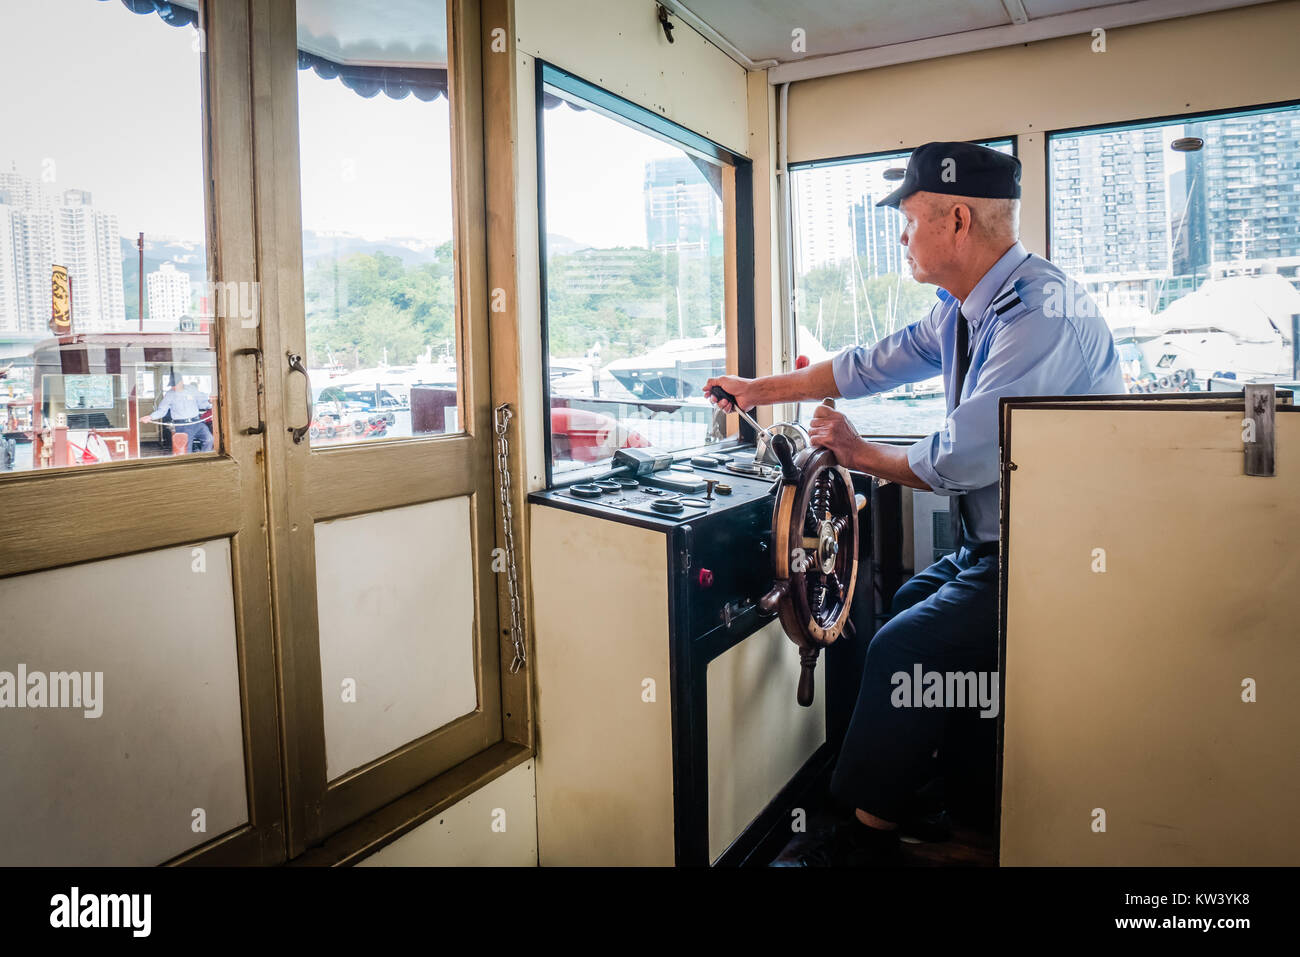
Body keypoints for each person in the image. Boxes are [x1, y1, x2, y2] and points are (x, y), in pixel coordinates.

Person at [705, 141, 1124, 866]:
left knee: (905, 646)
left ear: (957, 221)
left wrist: (859, 452)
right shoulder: (965, 309)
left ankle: (864, 841)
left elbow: (965, 455)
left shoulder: (1037, 314)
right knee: (897, 608)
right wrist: (756, 390)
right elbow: (873, 362)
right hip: (997, 550)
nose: (900, 237)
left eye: (908, 221)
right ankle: (929, 798)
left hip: (1058, 561)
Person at [140, 374, 214, 453]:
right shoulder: (169, 394)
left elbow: (202, 403)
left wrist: (210, 403)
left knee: (209, 439)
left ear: (181, 382)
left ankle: (203, 459)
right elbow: (162, 411)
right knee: (185, 450)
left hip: (197, 423)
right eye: (172, 385)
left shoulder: (192, 389)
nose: (173, 387)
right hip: (182, 426)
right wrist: (150, 417)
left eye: (175, 385)